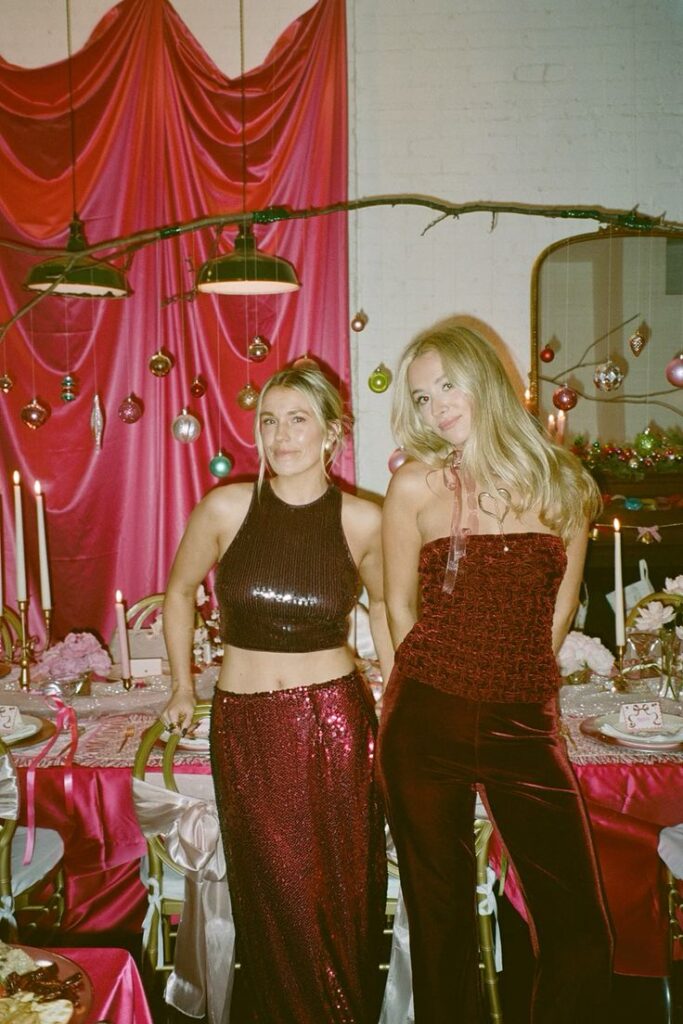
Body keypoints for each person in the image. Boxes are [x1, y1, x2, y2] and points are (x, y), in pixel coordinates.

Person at [378, 319, 613, 1023]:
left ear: (485, 378)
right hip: (424, 718)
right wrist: (404, 703)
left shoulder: (564, 485)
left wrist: (512, 679)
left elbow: (558, 614)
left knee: (577, 924)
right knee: (441, 921)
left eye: (447, 384)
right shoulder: (416, 486)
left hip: (521, 718)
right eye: (420, 397)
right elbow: (395, 604)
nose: (436, 405)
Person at [161, 365, 392, 1024]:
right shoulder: (225, 507)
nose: (280, 434)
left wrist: (399, 692)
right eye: (269, 419)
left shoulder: (364, 520)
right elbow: (178, 593)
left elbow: (385, 611)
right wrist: (181, 685)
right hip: (247, 729)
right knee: (273, 894)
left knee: (336, 895)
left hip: (334, 725)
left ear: (330, 432)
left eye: (297, 419)